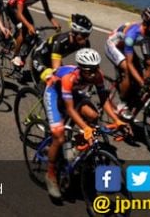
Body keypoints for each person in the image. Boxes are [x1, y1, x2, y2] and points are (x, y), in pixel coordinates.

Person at [43, 49, 129, 199]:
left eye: (96, 69)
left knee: (93, 116)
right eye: (90, 71)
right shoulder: (69, 77)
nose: (94, 73)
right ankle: (51, 174)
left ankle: (76, 147)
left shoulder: (97, 75)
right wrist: (85, 128)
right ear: (81, 69)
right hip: (54, 93)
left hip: (73, 93)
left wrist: (117, 120)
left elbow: (104, 100)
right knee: (59, 136)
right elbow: (70, 109)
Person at [105, 7, 150, 114]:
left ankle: (137, 94)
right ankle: (123, 102)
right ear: (146, 24)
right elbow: (130, 63)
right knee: (128, 69)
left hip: (126, 47)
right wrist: (142, 83)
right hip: (114, 46)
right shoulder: (132, 34)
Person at [6, 0, 61, 69]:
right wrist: (28, 26)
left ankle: (21, 51)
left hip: (23, 8)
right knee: (23, 30)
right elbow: (19, 14)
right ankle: (15, 56)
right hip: (12, 7)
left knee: (32, 30)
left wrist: (54, 22)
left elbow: (47, 11)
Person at [31, 14, 93, 84]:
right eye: (83, 35)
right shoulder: (61, 42)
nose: (85, 39)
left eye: (87, 35)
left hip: (54, 59)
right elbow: (57, 71)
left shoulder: (84, 42)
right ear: (74, 33)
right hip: (40, 59)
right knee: (54, 81)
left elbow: (88, 64)